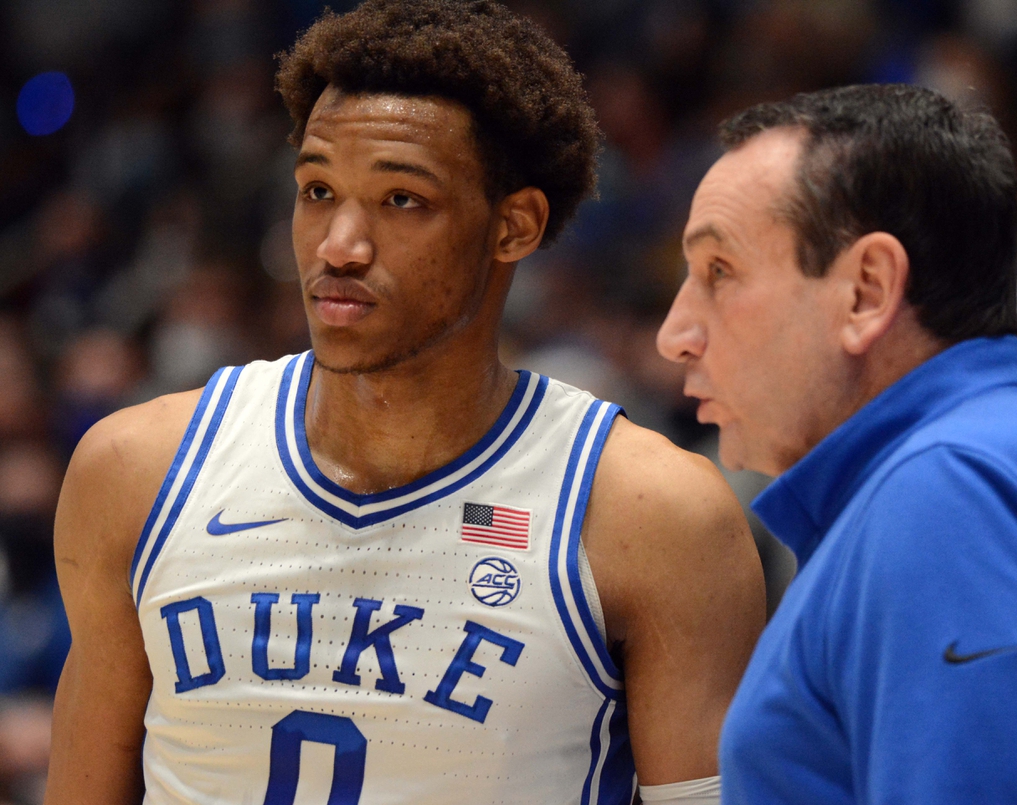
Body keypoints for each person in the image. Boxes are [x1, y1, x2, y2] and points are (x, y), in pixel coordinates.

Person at [44, 2, 766, 804]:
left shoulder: (653, 516)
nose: (337, 246)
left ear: (515, 225)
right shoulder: (137, 471)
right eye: (317, 189)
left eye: (401, 201)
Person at [657, 83, 1017, 804]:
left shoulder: (950, 498)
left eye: (720, 271)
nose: (674, 334)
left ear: (866, 290)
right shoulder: (1000, 460)